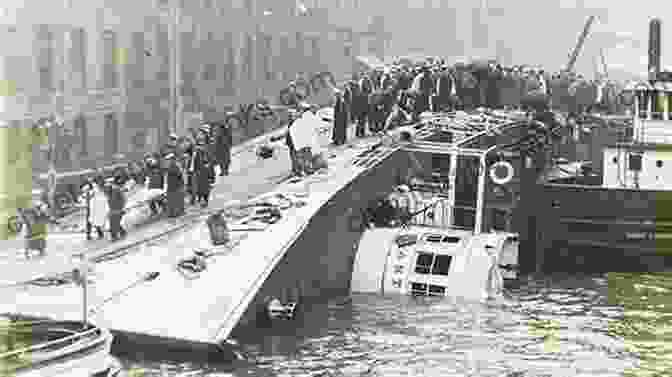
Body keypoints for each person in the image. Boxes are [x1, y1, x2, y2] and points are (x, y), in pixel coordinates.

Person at [164, 153, 185, 217]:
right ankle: (172, 212)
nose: (168, 161)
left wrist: (181, 183)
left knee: (176, 199)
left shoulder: (175, 166)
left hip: (175, 185)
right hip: (172, 186)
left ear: (173, 159)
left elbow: (179, 175)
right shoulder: (171, 166)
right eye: (167, 160)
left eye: (169, 160)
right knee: (171, 200)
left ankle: (176, 212)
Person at [107, 175, 127, 241]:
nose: (107, 187)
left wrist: (122, 208)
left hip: (118, 209)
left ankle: (114, 235)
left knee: (114, 222)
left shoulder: (117, 190)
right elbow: (109, 202)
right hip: (113, 210)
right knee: (113, 222)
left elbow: (123, 199)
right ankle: (121, 232)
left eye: (109, 186)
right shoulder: (109, 193)